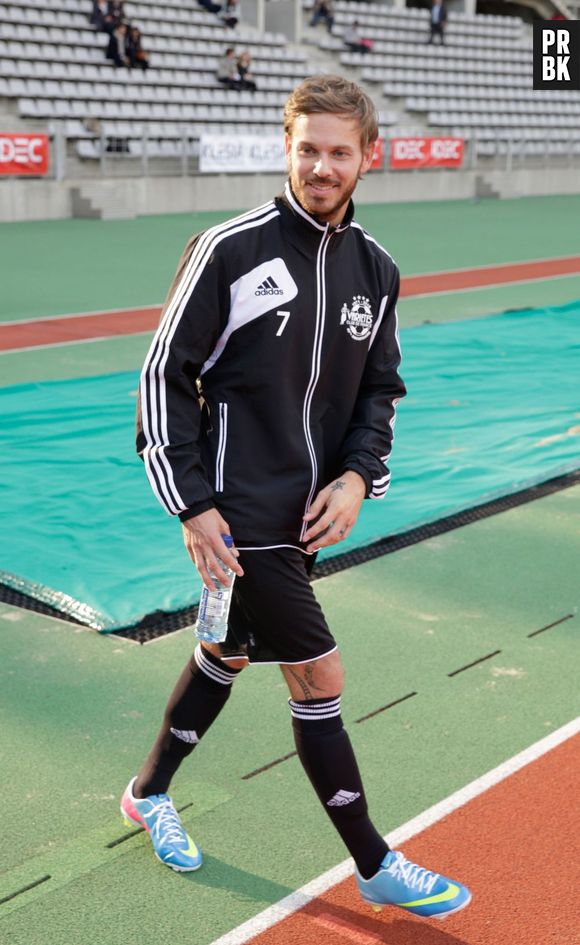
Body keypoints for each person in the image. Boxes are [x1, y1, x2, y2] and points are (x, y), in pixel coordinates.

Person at [121, 74, 471, 921]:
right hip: (237, 516)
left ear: (368, 158)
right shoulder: (230, 249)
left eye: (338, 153)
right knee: (318, 673)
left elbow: (379, 392)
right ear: (287, 147)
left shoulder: (375, 270)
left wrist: (357, 477)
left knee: (227, 654)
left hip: (303, 517)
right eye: (307, 149)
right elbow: (165, 373)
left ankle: (146, 792)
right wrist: (193, 503)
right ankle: (374, 862)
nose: (321, 166)